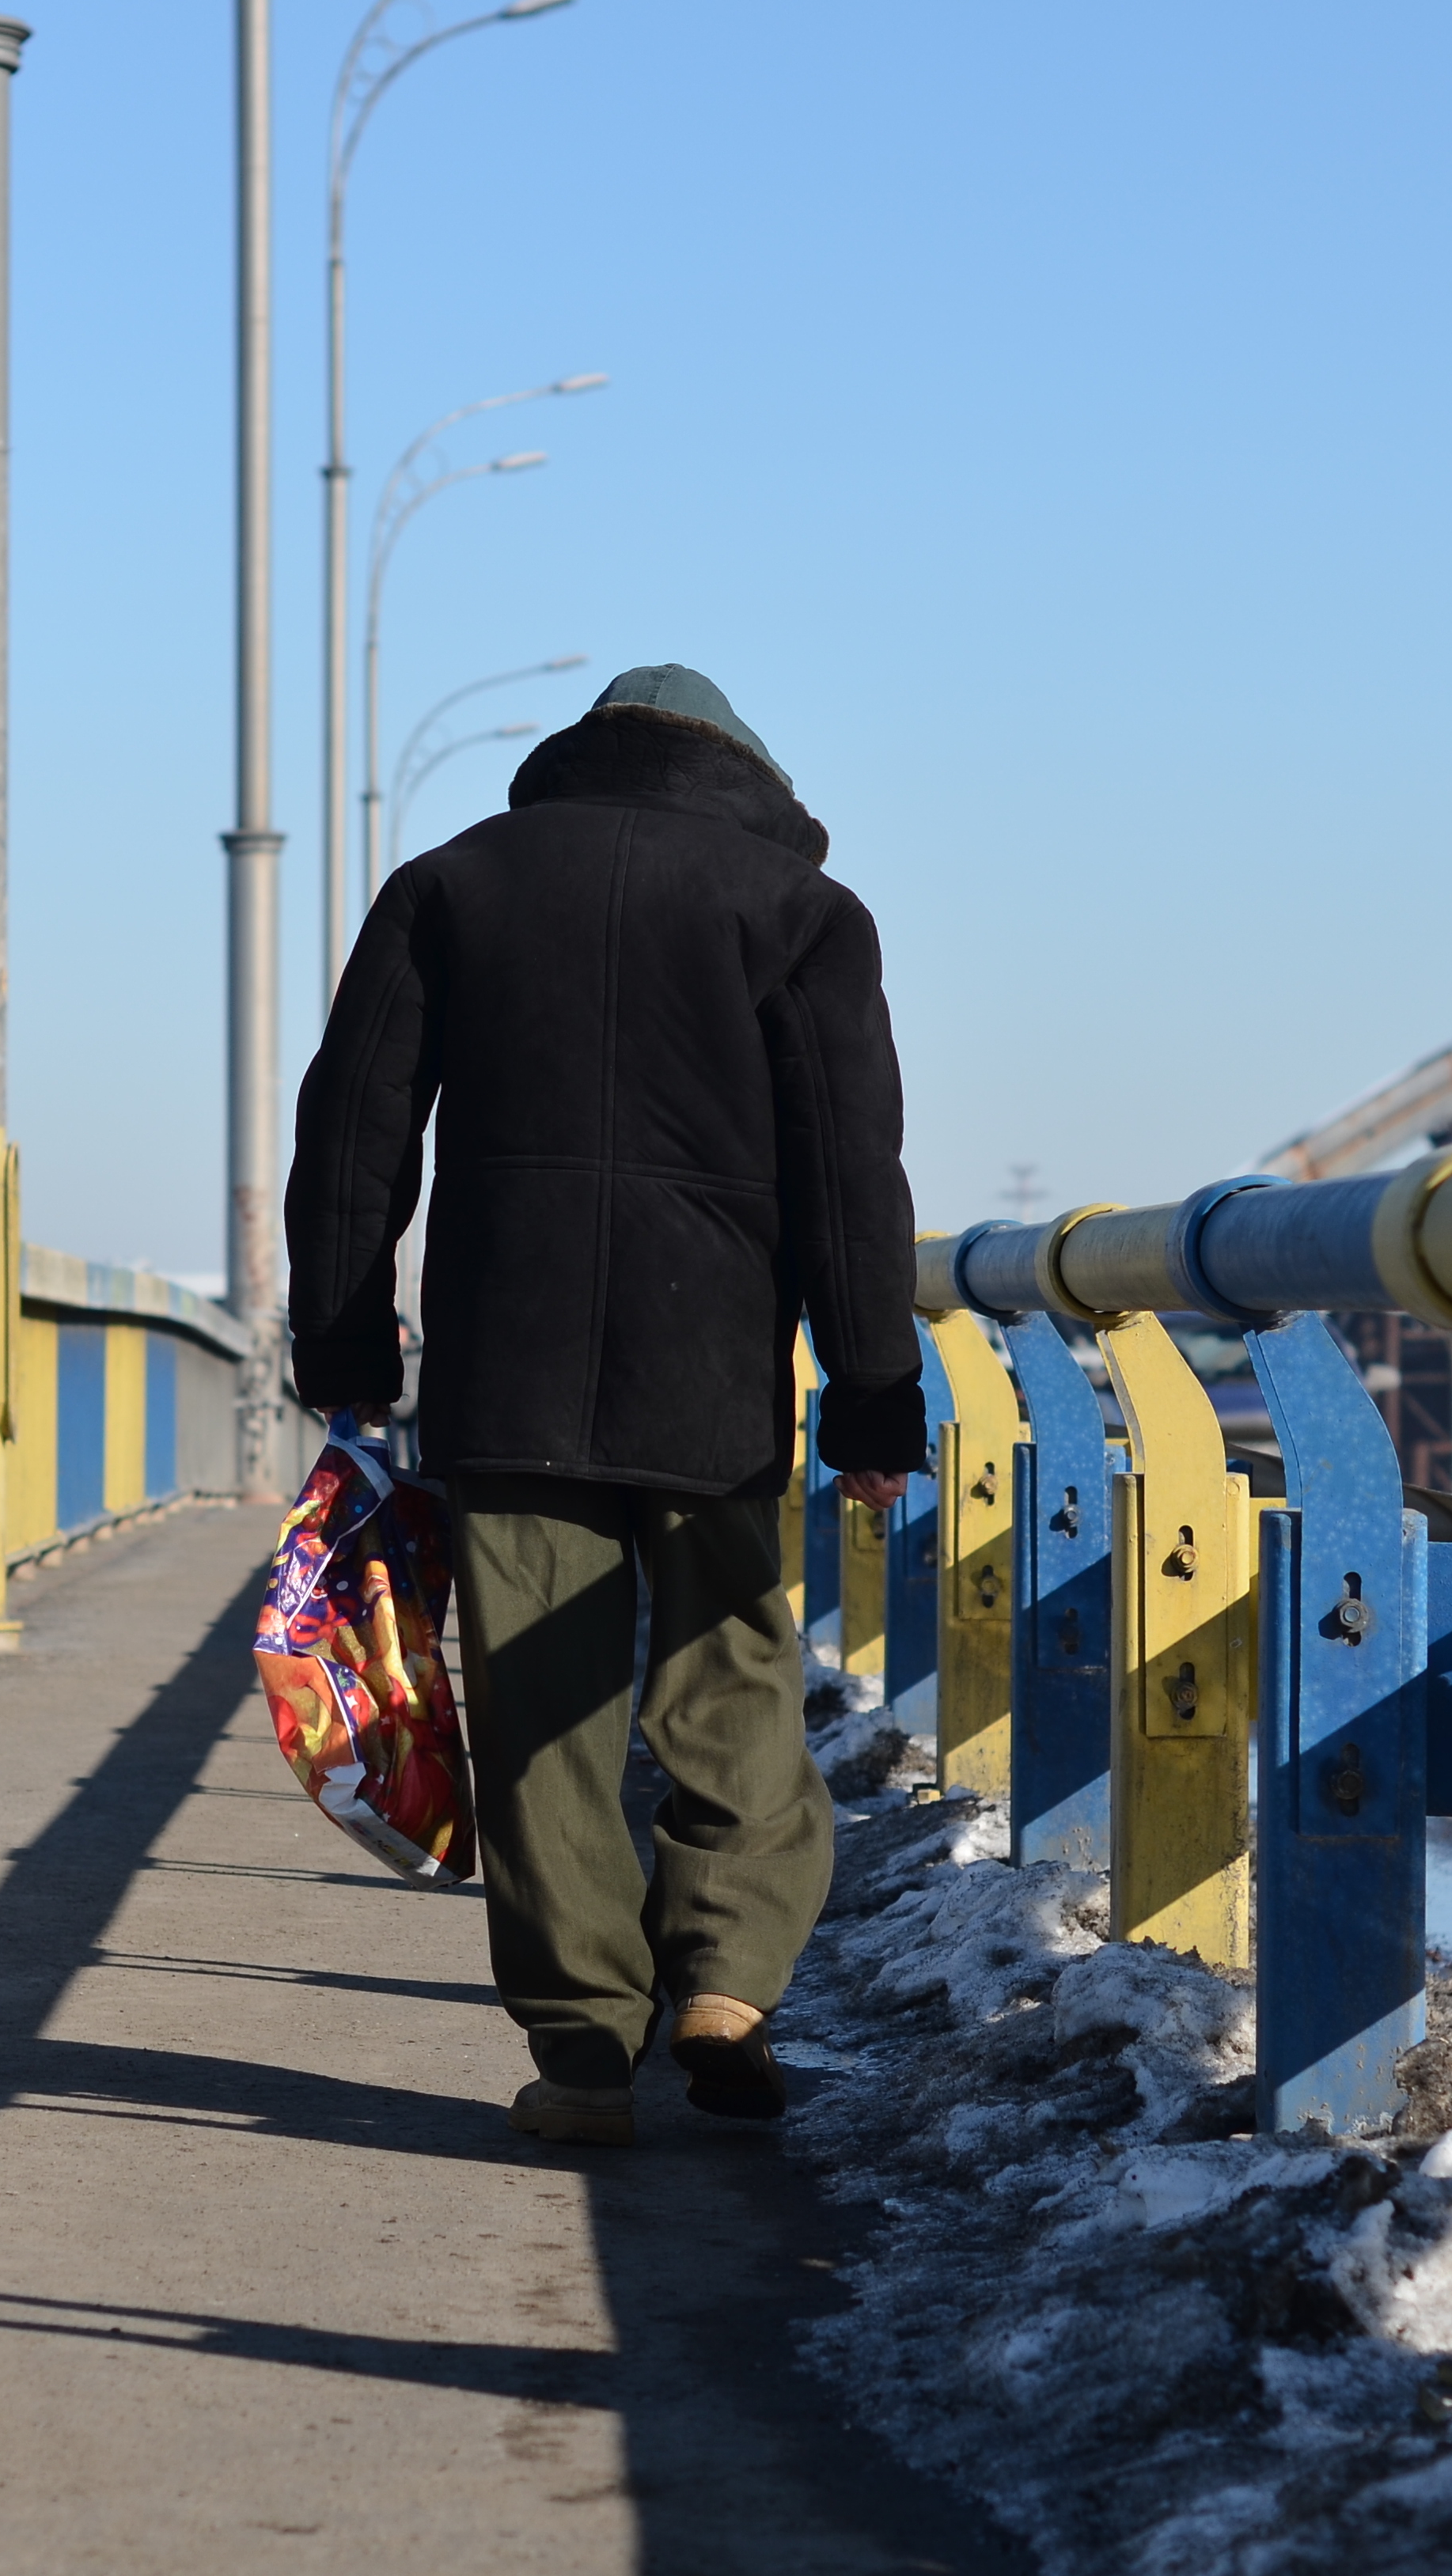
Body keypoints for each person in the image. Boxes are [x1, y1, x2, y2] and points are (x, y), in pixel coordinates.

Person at [284, 665, 924, 2148]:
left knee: (533, 1713)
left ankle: (581, 2049)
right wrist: (873, 1397)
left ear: (583, 757)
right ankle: (728, 1982)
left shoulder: (452, 886)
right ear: (744, 772)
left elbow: (355, 1124)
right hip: (710, 1368)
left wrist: (345, 1343)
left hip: (509, 1361)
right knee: (730, 1675)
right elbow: (850, 1177)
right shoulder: (803, 913)